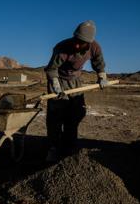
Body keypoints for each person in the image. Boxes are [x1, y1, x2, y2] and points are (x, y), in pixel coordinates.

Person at [44, 20, 108, 161]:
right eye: (76, 40)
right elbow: (51, 69)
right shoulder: (62, 48)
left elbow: (98, 62)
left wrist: (102, 76)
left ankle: (69, 147)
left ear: (89, 43)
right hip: (59, 80)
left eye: (81, 43)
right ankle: (54, 147)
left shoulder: (94, 47)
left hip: (76, 82)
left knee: (74, 115)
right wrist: (55, 84)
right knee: (56, 117)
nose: (77, 45)